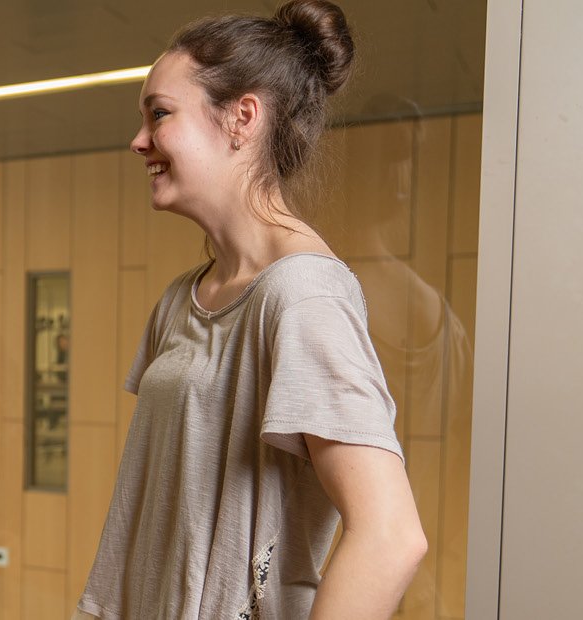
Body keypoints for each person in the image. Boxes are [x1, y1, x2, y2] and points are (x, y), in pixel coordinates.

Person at [75, 1, 427, 618]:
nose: (138, 141)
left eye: (159, 114)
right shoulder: (182, 299)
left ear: (241, 118)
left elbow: (391, 536)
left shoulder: (303, 296)